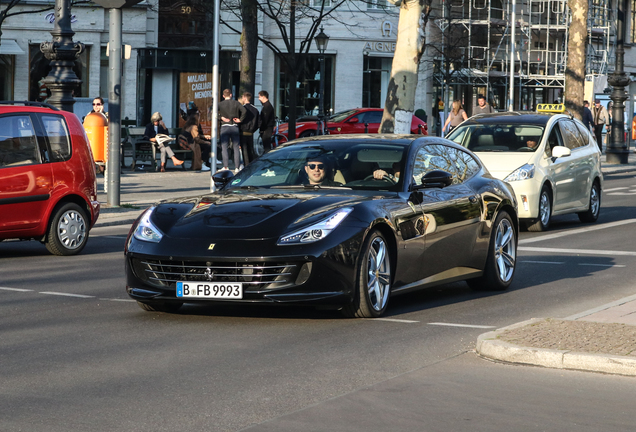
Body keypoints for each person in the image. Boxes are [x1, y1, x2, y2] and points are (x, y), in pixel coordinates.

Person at [218, 88, 246, 172]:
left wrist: (221, 117)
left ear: (223, 96)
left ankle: (226, 166)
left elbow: (212, 112)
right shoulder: (236, 103)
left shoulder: (220, 104)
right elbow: (244, 111)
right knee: (236, 147)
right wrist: (240, 119)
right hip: (234, 126)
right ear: (231, 95)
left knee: (224, 147)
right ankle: (237, 167)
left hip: (224, 126)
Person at [239, 92, 260, 166]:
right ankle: (251, 164)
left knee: (244, 150)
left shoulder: (242, 109)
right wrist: (253, 129)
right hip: (251, 132)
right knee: (250, 149)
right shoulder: (255, 109)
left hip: (243, 131)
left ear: (244, 98)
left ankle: (246, 164)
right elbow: (258, 123)